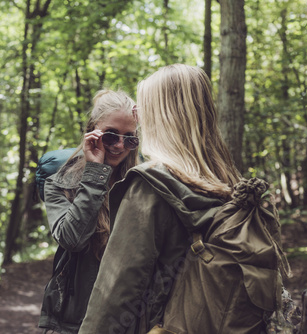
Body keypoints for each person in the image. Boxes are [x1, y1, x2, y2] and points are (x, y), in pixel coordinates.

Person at [78, 64, 243, 334]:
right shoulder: (229, 181)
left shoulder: (150, 185)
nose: (139, 120)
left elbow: (115, 294)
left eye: (142, 110)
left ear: (160, 115)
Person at [38, 89, 140, 334]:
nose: (118, 145)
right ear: (93, 130)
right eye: (111, 135)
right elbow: (72, 239)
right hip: (74, 321)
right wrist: (95, 174)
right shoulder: (59, 184)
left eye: (129, 138)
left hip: (130, 319)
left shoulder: (143, 184)